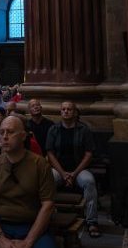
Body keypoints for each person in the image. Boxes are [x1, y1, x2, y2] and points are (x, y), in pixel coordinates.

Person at [0, 116, 56, 248]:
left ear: (23, 136)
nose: (5, 137)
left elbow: (48, 205)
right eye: (2, 132)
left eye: (10, 132)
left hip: (33, 226)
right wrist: (0, 238)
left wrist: (29, 241)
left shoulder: (40, 164)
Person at [46, 101, 101, 237]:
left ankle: (92, 222)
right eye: (63, 109)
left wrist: (74, 173)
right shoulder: (54, 129)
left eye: (69, 109)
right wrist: (63, 173)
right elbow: (50, 153)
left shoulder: (84, 130)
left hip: (79, 169)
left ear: (75, 112)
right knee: (48, 179)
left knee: (89, 181)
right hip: (60, 170)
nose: (66, 111)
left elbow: (88, 153)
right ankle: (48, 216)